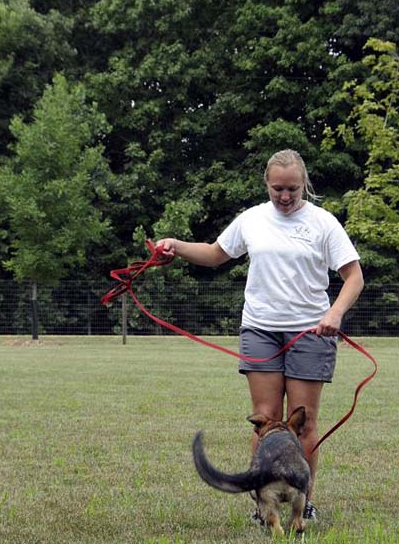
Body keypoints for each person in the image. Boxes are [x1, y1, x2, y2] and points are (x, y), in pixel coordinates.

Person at [156, 149, 364, 522]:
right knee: (266, 420)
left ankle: (304, 501)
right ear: (266, 184)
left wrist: (334, 313)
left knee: (305, 423)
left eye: (293, 190)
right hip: (260, 328)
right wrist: (177, 246)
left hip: (310, 331)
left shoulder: (323, 223)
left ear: (305, 185)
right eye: (277, 189)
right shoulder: (252, 219)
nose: (285, 197)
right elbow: (216, 254)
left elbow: (354, 277)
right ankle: (263, 505)